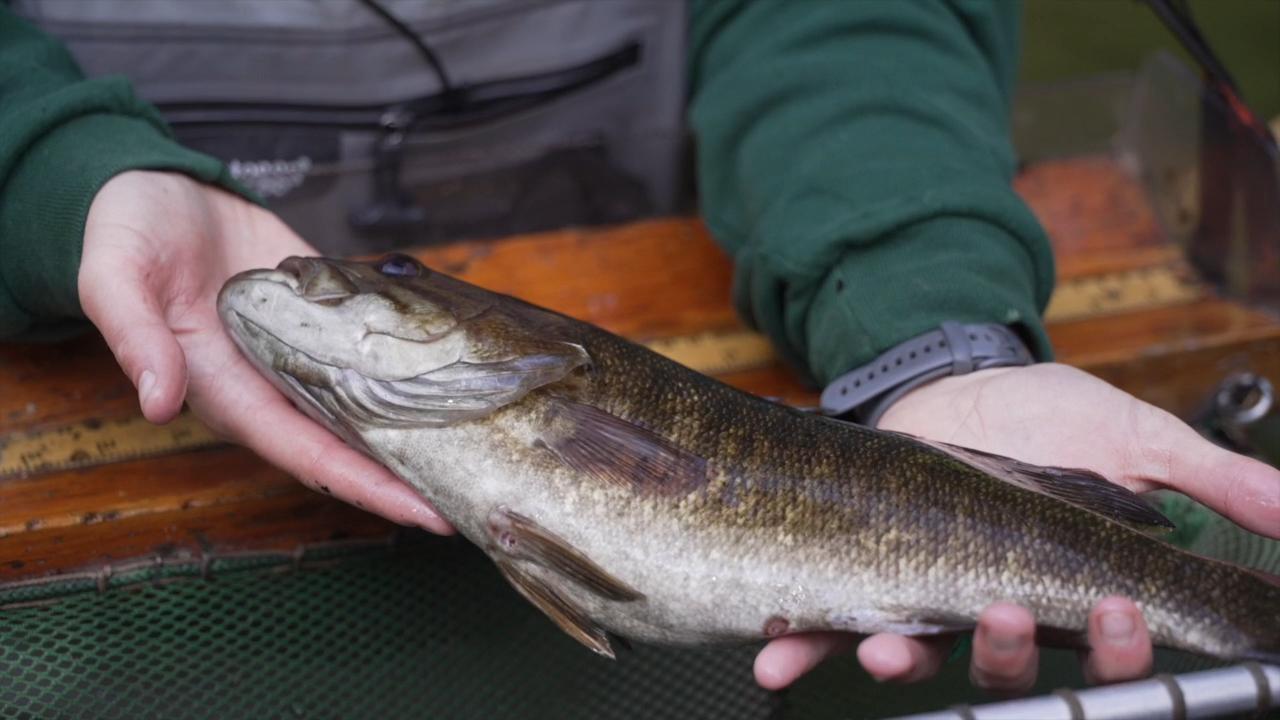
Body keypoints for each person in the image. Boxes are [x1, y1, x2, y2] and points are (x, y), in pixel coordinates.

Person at [1, 0, 1276, 705]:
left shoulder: (538, 397)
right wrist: (57, 169)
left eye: (393, 292)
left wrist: (927, 332)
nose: (352, 292)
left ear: (530, 357)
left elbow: (848, 25)